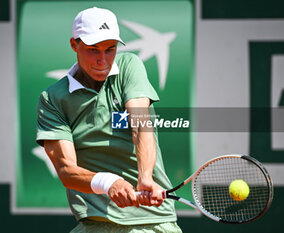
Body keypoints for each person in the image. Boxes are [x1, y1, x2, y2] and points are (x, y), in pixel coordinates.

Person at [36, 7, 182, 233]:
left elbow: (140, 124)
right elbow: (66, 170)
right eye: (93, 50)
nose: (102, 60)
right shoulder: (52, 98)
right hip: (94, 222)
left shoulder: (129, 66)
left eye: (110, 49)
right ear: (75, 45)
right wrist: (109, 183)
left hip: (152, 222)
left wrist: (144, 177)